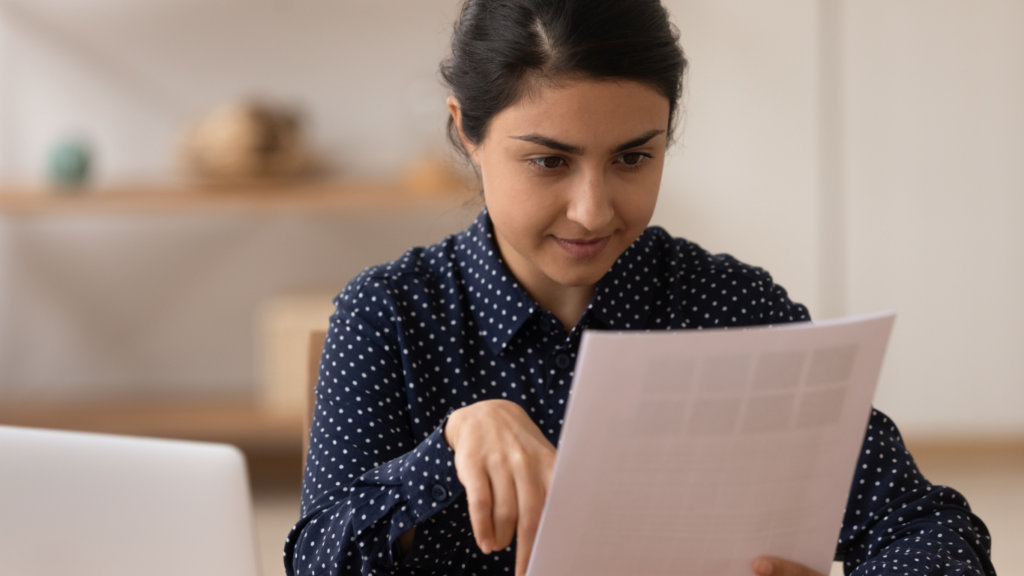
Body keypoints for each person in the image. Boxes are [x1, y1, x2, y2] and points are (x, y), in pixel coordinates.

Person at [285, 1, 996, 575]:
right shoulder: (390, 314)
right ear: (466, 132)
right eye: (548, 162)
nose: (593, 209)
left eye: (633, 157)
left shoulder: (735, 312)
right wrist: (448, 450)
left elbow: (930, 528)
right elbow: (316, 560)